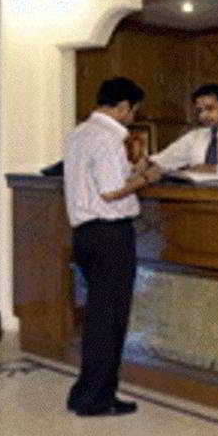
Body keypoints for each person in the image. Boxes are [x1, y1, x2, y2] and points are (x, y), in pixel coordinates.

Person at [63, 76, 160, 417]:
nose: (133, 116)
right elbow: (110, 191)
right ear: (122, 107)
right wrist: (146, 177)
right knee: (110, 320)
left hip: (85, 235)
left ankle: (84, 393)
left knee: (97, 317)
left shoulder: (80, 132)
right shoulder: (108, 138)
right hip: (110, 236)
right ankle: (97, 399)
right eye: (133, 110)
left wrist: (131, 171)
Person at [149, 83, 218, 181]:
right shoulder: (194, 137)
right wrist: (149, 163)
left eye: (210, 108)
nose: (203, 115)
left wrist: (213, 169)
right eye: (200, 110)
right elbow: (164, 159)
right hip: (198, 196)